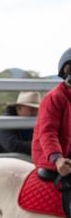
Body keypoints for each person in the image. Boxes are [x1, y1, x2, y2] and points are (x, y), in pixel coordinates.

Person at [32, 47, 71, 176]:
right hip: (51, 157)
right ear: (67, 71)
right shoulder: (54, 98)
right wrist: (57, 158)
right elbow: (48, 132)